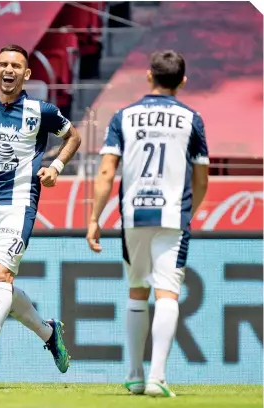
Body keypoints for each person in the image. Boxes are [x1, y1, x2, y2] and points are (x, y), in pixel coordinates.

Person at [86, 50, 209, 397]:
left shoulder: (124, 117)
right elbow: (201, 179)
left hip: (133, 215)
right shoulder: (192, 120)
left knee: (137, 289)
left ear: (148, 76)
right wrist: (189, 212)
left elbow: (107, 171)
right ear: (182, 81)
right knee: (168, 291)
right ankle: (158, 377)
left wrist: (94, 218)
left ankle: (134, 374)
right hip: (173, 215)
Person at [0, 44, 82, 377]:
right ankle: (49, 333)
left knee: (2, 276)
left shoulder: (42, 111)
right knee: (1, 288)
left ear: (26, 74)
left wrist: (56, 166)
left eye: (15, 66)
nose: (8, 70)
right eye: (2, 64)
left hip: (20, 202)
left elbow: (73, 137)